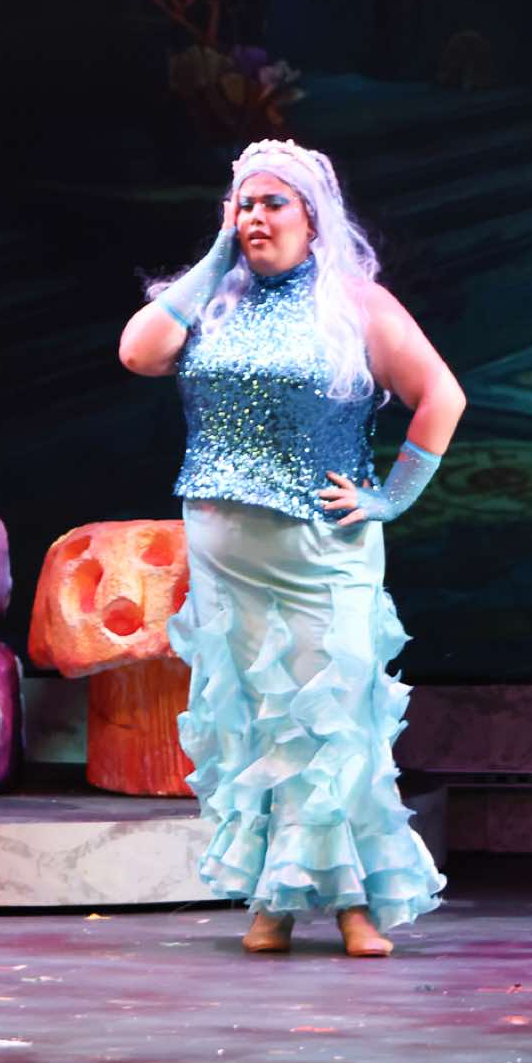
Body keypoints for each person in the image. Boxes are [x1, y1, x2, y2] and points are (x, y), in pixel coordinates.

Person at [117, 138, 461, 956]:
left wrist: (391, 497)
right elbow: (137, 352)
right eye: (244, 203)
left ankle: (353, 905)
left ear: (313, 217)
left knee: (334, 718)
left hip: (320, 546)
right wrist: (216, 257)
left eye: (274, 202)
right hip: (225, 546)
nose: (256, 217)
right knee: (254, 722)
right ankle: (271, 902)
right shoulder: (215, 300)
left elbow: (440, 395)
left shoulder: (354, 303)